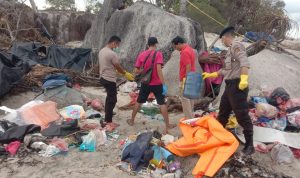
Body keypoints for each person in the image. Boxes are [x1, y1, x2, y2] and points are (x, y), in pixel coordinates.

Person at [202, 27, 255, 155]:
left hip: (238, 85)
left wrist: (243, 79)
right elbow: (225, 70)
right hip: (229, 86)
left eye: (222, 40)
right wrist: (211, 74)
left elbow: (245, 62)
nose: (222, 42)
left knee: (242, 115)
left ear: (226, 37)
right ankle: (219, 137)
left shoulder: (237, 46)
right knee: (223, 113)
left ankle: (250, 145)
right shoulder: (229, 50)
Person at [127, 37, 176, 133]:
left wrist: (143, 70)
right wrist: (163, 84)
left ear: (148, 44)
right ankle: (168, 125)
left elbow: (136, 70)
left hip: (145, 82)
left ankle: (132, 120)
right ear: (156, 44)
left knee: (139, 101)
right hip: (157, 83)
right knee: (162, 103)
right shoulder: (158, 54)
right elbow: (158, 69)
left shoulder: (142, 54)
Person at [99, 35, 134, 127]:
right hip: (109, 79)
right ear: (114, 43)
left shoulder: (102, 51)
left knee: (109, 98)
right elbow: (117, 66)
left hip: (102, 77)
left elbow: (107, 64)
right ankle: (109, 121)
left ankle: (107, 115)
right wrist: (125, 73)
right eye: (117, 45)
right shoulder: (112, 53)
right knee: (112, 100)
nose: (117, 47)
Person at [171, 36, 196, 119]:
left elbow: (188, 66)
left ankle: (189, 118)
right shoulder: (190, 49)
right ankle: (191, 116)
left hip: (186, 78)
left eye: (175, 46)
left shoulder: (184, 52)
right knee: (190, 98)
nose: (175, 48)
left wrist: (186, 80)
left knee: (185, 99)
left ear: (178, 44)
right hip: (192, 76)